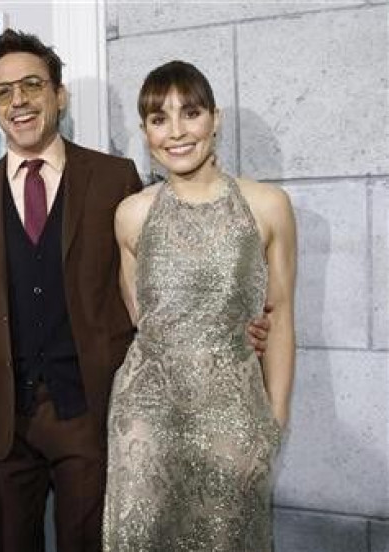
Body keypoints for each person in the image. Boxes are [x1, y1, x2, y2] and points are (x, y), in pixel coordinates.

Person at [0, 30, 271, 552]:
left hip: (90, 411)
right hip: (2, 418)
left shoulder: (116, 178)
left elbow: (165, 276)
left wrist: (236, 321)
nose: (19, 101)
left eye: (32, 85)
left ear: (59, 94)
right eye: (4, 91)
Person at [103, 60, 296, 551]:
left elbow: (280, 318)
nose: (176, 132)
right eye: (158, 119)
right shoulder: (131, 214)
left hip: (232, 419)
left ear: (216, 118)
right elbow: (143, 321)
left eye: (190, 113)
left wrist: (273, 420)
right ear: (146, 132)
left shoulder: (268, 205)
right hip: (145, 422)